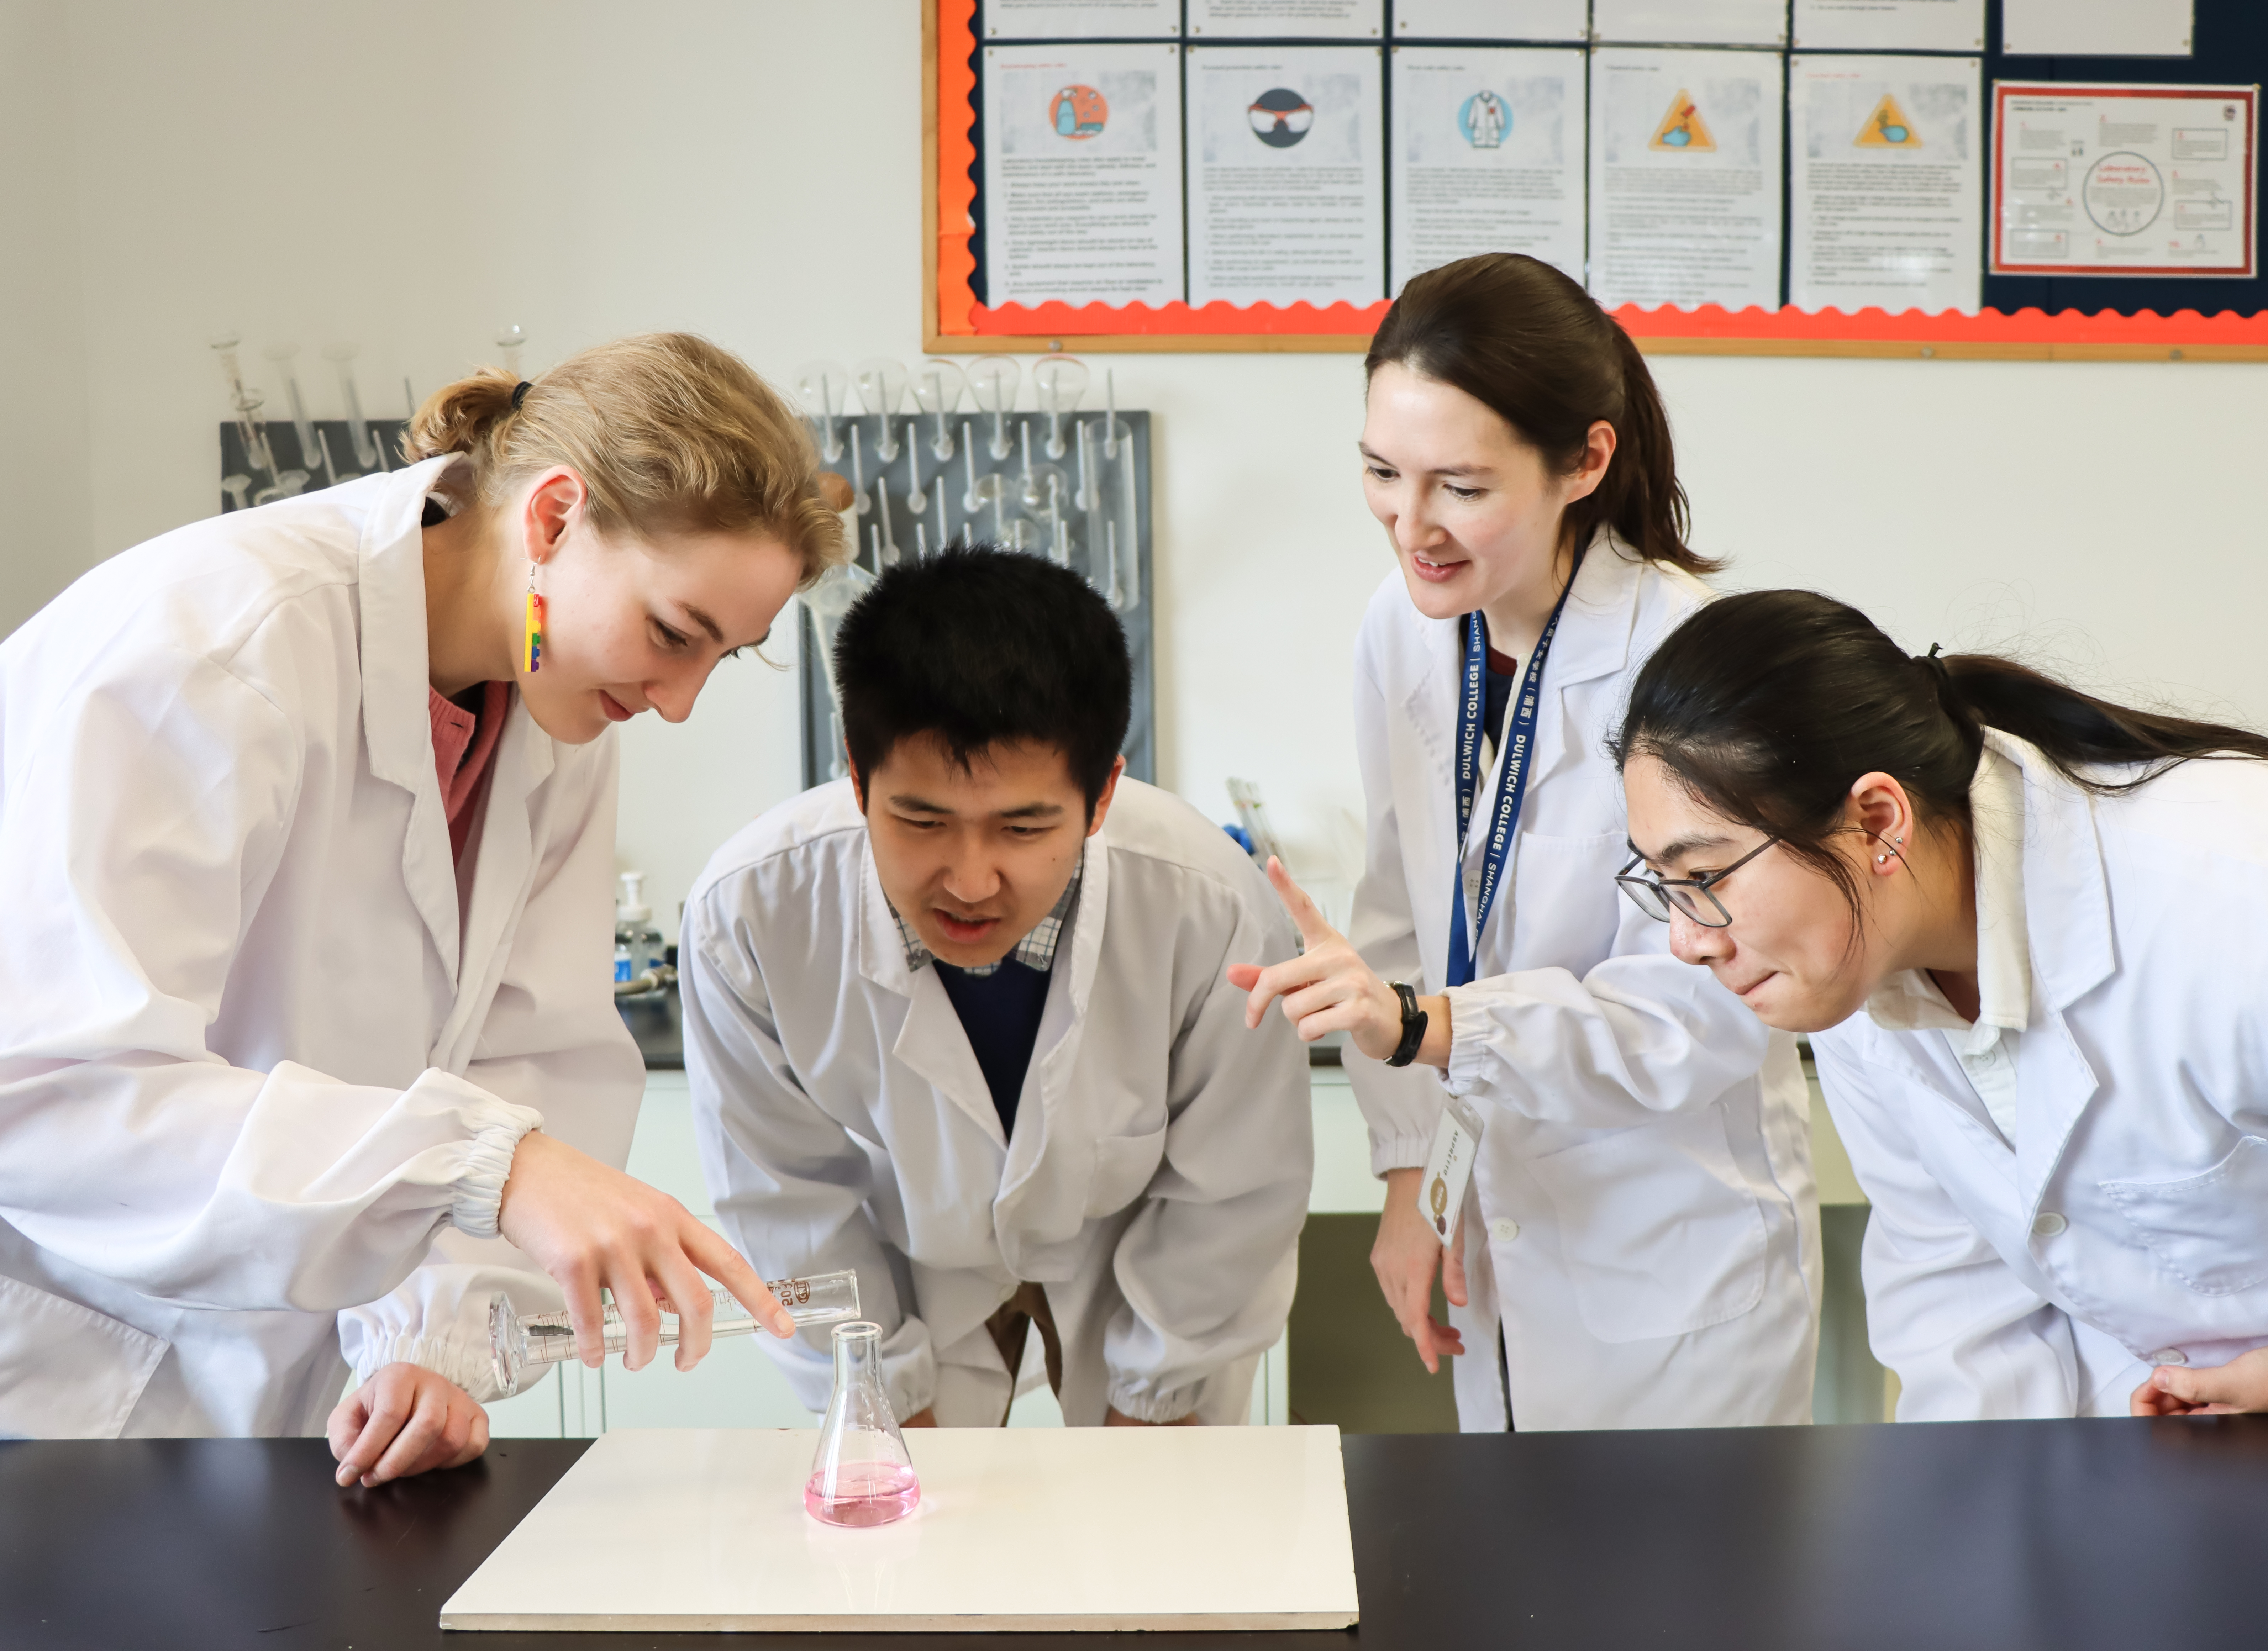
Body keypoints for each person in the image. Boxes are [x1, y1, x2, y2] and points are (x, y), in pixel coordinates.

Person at [0, 334, 839, 1480]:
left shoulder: (556, 710)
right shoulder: (216, 644)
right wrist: (485, 1166)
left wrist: (429, 1342)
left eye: (723, 659)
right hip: (52, 1381)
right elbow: (50, 1101)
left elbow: (526, 1052)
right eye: (673, 635)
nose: (678, 702)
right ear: (552, 519)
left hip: (274, 1411)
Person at [1614, 587, 2268, 1429]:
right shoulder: (1853, 965)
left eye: (1708, 876)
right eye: (1664, 885)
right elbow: (1954, 1292)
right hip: (2163, 1462)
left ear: (1878, 820)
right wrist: (1981, 1533)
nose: (1687, 942)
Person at [1235, 253, 1820, 1430]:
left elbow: (1695, 1013)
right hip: (1491, 1223)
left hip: (1670, 1255)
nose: (1413, 527)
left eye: (1460, 485)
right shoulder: (1404, 626)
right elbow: (1402, 901)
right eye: (1381, 473)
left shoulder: (1687, 659)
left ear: (1585, 462)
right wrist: (1409, 1177)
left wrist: (1433, 1027)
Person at [681, 545, 1309, 1428]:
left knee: (1161, 1534)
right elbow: (789, 1201)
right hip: (901, 1260)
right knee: (903, 1545)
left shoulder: (1209, 902)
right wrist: (885, 1410)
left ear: (1101, 798)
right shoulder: (749, 914)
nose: (971, 881)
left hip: (1133, 1249)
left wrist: (1156, 1410)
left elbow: (1232, 1189)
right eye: (922, 820)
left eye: (1023, 826)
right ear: (858, 782)